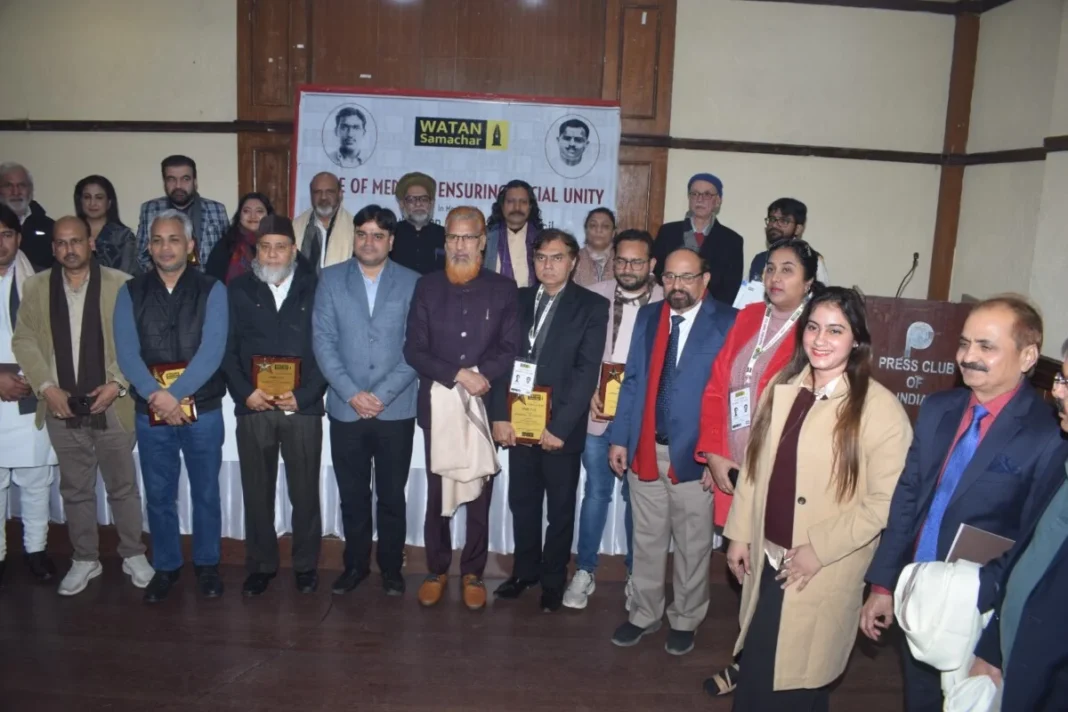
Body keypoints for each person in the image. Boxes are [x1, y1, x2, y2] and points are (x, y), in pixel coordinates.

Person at [861, 295, 1068, 712]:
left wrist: (985, 624)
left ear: (1028, 356)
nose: (967, 356)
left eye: (986, 347)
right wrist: (884, 584)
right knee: (918, 698)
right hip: (917, 595)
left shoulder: (1049, 436)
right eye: (964, 343)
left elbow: (1031, 541)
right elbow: (908, 500)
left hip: (982, 610)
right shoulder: (939, 408)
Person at [725, 287, 912, 710]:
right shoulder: (782, 386)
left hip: (819, 570)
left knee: (799, 681)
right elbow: (755, 467)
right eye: (812, 327)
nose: (820, 340)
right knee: (758, 671)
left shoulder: (880, 410)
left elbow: (885, 502)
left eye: (835, 330)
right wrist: (738, 532)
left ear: (856, 340)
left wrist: (819, 550)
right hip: (769, 557)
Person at [695, 238, 821, 695]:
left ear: (808, 281)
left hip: (778, 477)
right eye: (770, 268)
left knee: (770, 574)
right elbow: (716, 388)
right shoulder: (748, 317)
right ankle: (751, 655)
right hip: (733, 468)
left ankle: (753, 664)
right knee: (746, 570)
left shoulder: (815, 331)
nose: (775, 277)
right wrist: (712, 453)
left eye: (788, 270)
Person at [12, 216, 153, 596]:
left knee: (123, 487)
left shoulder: (120, 285)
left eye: (76, 241)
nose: (69, 249)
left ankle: (133, 554)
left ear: (91, 243)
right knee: (75, 489)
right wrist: (46, 387)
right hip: (60, 405)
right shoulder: (36, 286)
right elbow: (24, 340)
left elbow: (134, 341)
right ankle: (85, 558)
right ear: (53, 247)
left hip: (112, 404)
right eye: (61, 243)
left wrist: (117, 383)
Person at [606, 248, 735, 654]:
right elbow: (632, 381)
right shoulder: (649, 317)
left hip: (696, 458)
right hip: (646, 449)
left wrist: (720, 455)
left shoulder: (729, 323)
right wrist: (619, 436)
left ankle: (686, 617)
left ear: (705, 279)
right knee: (646, 539)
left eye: (687, 277)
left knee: (694, 543)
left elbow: (734, 398)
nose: (677, 286)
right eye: (670, 278)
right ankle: (643, 613)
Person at [403, 206, 520, 610]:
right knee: (438, 491)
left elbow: (510, 347)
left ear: (483, 241)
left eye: (468, 237)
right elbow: (413, 349)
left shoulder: (503, 289)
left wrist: (479, 376)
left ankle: (472, 571)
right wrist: (458, 374)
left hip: (483, 407)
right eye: (453, 237)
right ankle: (435, 569)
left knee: (480, 493)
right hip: (438, 407)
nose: (460, 245)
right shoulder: (427, 287)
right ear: (445, 241)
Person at [490, 229, 609, 612]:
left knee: (559, 509)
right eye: (541, 257)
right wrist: (499, 415)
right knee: (522, 502)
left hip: (560, 428)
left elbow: (587, 370)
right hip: (517, 423)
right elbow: (498, 360)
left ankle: (554, 580)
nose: (548, 265)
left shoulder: (591, 306)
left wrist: (558, 427)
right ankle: (525, 571)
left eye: (557, 257)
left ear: (573, 261)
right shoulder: (516, 299)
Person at [114, 209, 228, 603]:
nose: (166, 247)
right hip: (152, 411)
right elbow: (127, 355)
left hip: (204, 408)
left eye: (174, 239)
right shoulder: (130, 291)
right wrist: (157, 396)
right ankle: (166, 566)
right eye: (158, 240)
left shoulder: (212, 288)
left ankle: (208, 564)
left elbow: (213, 351)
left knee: (206, 492)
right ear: (149, 247)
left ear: (191, 246)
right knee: (159, 493)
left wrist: (173, 394)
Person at [312, 205, 419, 596]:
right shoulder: (330, 279)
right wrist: (351, 393)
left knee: (391, 496)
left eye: (378, 235)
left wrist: (382, 394)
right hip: (345, 408)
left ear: (391, 241)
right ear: (353, 237)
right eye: (362, 234)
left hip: (397, 409)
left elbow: (417, 347)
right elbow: (323, 342)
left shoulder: (412, 282)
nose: (369, 241)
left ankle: (391, 569)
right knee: (353, 495)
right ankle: (354, 566)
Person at [222, 215, 327, 597]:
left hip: (302, 408)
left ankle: (305, 566)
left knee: (304, 493)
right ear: (256, 251)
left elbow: (328, 351)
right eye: (265, 246)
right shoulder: (237, 290)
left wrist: (306, 394)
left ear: (294, 249)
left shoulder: (318, 288)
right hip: (255, 406)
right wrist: (245, 392)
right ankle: (262, 565)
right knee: (257, 490)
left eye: (280, 246)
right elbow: (226, 350)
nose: (272, 253)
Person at [563, 229, 663, 610]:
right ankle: (585, 571)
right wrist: (586, 387)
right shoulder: (594, 295)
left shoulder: (667, 301)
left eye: (637, 261)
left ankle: (637, 575)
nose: (628, 268)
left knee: (637, 499)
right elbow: (577, 352)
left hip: (641, 421)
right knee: (596, 494)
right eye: (622, 260)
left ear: (651, 265)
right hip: (597, 415)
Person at [966, 357, 1068, 711]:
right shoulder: (1062, 459)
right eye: (1059, 377)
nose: (1056, 391)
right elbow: (1026, 558)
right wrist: (992, 648)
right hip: (1013, 669)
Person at [0, 203, 56, 585]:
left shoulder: (36, 281)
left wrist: (34, 377)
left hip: (29, 387)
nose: (0, 243)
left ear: (18, 238)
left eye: (5, 234)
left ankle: (36, 550)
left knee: (36, 480)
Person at [652, 173, 744, 305]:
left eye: (707, 194)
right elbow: (657, 274)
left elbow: (730, 289)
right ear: (689, 198)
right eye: (694, 194)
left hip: (710, 312)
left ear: (718, 200)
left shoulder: (732, 240)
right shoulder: (668, 232)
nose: (699, 199)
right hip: (670, 305)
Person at [135, 155, 229, 271]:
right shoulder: (150, 209)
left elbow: (227, 254)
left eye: (185, 179)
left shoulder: (216, 210)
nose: (178, 186)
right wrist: (162, 277)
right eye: (171, 179)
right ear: (164, 182)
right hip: (164, 283)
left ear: (195, 181)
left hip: (207, 283)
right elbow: (140, 254)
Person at [747, 199, 829, 285]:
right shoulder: (759, 259)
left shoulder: (812, 260)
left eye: (784, 221)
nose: (774, 225)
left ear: (798, 229)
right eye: (772, 219)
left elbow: (823, 296)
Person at [73, 175, 140, 276]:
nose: (92, 203)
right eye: (87, 197)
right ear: (80, 201)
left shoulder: (123, 237)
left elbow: (127, 277)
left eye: (99, 198)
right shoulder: (70, 233)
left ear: (109, 202)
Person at [204, 192, 274, 283]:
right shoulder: (225, 245)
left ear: (268, 215)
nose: (253, 216)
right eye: (246, 211)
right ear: (239, 216)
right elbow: (212, 283)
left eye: (259, 211)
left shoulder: (278, 244)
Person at [293, 172, 355, 275]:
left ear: (340, 194)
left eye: (329, 192)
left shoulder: (355, 229)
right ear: (311, 195)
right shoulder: (295, 226)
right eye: (317, 192)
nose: (323, 198)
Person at [484, 180, 543, 286]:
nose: (517, 208)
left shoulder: (542, 240)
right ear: (502, 206)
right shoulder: (485, 238)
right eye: (511, 201)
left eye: (523, 202)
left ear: (530, 207)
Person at [0, 162, 54, 271]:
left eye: (22, 185)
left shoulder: (50, 227)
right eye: (8, 186)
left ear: (31, 190)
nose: (16, 192)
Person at [391, 172, 445, 275]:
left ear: (432, 203)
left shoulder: (445, 236)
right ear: (402, 204)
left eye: (424, 199)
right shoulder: (391, 234)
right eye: (411, 200)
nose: (418, 204)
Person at [572, 207, 616, 287]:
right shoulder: (573, 259)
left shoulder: (621, 260)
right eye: (593, 225)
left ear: (613, 233)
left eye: (605, 226)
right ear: (586, 230)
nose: (599, 230)